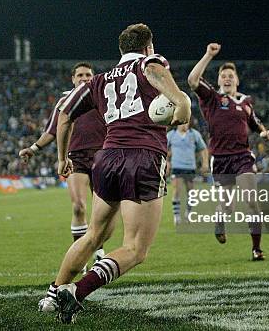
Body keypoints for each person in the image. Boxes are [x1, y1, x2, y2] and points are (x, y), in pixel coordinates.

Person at [45, 23, 190, 323]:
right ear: (148, 46)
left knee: (93, 235)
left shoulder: (97, 81)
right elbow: (162, 83)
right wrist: (181, 106)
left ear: (121, 50)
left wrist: (61, 158)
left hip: (107, 158)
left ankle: (51, 294)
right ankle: (76, 291)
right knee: (135, 248)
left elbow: (64, 113)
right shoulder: (151, 62)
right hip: (143, 157)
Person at [20, 63, 109, 311]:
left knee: (101, 211)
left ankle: (98, 251)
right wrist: (34, 149)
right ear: (72, 79)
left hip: (103, 156)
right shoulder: (64, 101)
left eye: (88, 75)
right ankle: (81, 256)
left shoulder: (102, 93)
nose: (84, 78)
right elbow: (52, 130)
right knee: (79, 205)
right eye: (80, 75)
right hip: (76, 158)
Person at [187, 44, 269, 261]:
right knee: (228, 206)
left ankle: (256, 249)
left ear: (237, 80)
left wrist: (264, 132)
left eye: (230, 76)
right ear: (218, 81)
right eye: (223, 75)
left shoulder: (245, 102)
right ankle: (220, 220)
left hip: (243, 157)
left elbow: (254, 122)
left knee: (251, 201)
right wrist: (208, 54)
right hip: (221, 159)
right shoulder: (212, 98)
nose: (227, 78)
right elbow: (192, 80)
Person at [166, 122, 209, 224]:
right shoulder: (171, 135)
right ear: (178, 124)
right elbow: (163, 148)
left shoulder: (194, 134)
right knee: (176, 190)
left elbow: (203, 149)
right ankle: (176, 216)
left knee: (191, 192)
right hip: (177, 166)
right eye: (183, 123)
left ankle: (188, 213)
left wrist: (205, 163)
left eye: (187, 123)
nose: (185, 125)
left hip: (190, 167)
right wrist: (167, 162)